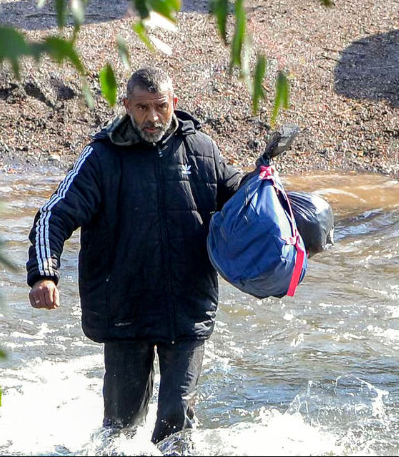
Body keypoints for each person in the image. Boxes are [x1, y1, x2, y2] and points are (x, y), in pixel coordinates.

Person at [26, 67, 242, 446]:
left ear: (174, 103)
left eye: (160, 107)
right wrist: (44, 273)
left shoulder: (202, 150)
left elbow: (241, 204)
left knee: (178, 427)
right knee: (120, 431)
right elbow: (53, 215)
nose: (152, 117)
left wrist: (276, 206)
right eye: (142, 107)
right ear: (126, 106)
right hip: (124, 310)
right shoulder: (100, 158)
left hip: (187, 309)